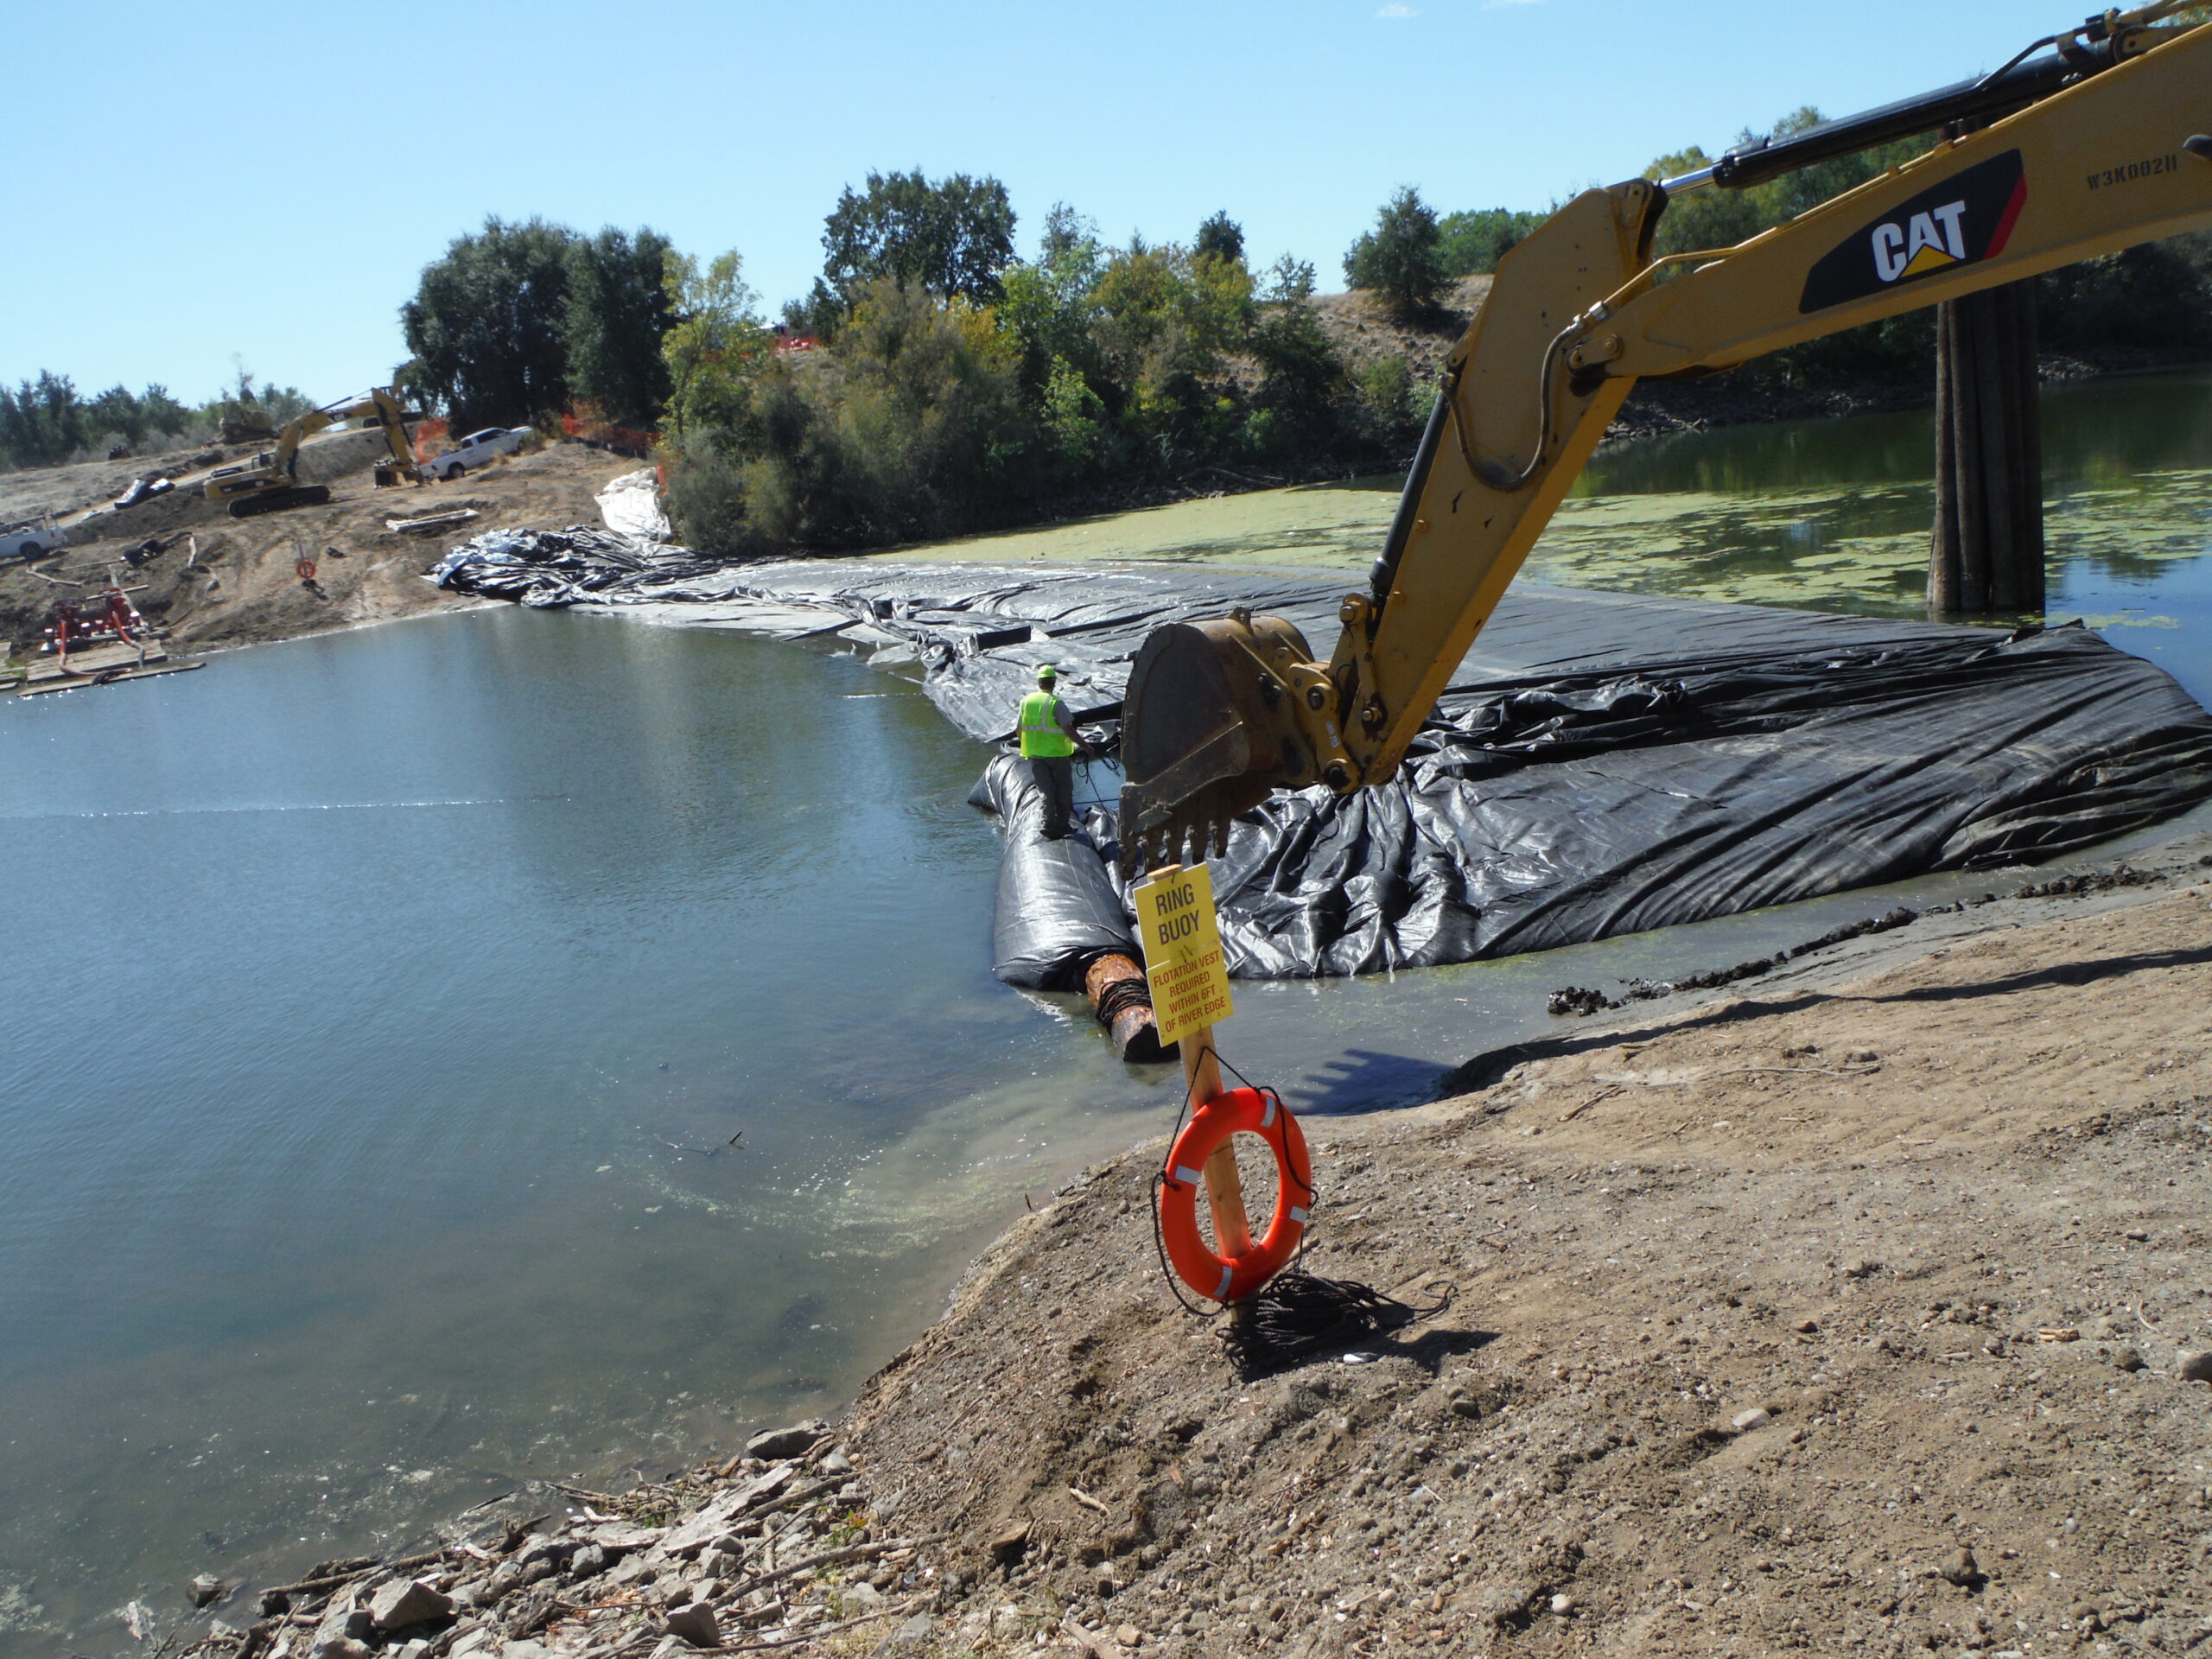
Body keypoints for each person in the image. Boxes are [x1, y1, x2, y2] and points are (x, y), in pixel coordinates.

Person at [1017, 664, 1091, 839]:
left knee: (1045, 791)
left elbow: (1018, 730)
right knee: (1064, 790)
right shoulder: (1055, 704)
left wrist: (1027, 744)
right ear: (1053, 683)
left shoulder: (1026, 702)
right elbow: (1069, 729)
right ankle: (1063, 825)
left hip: (1036, 755)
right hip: (1057, 755)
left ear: (1039, 683)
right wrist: (1087, 748)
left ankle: (1047, 823)